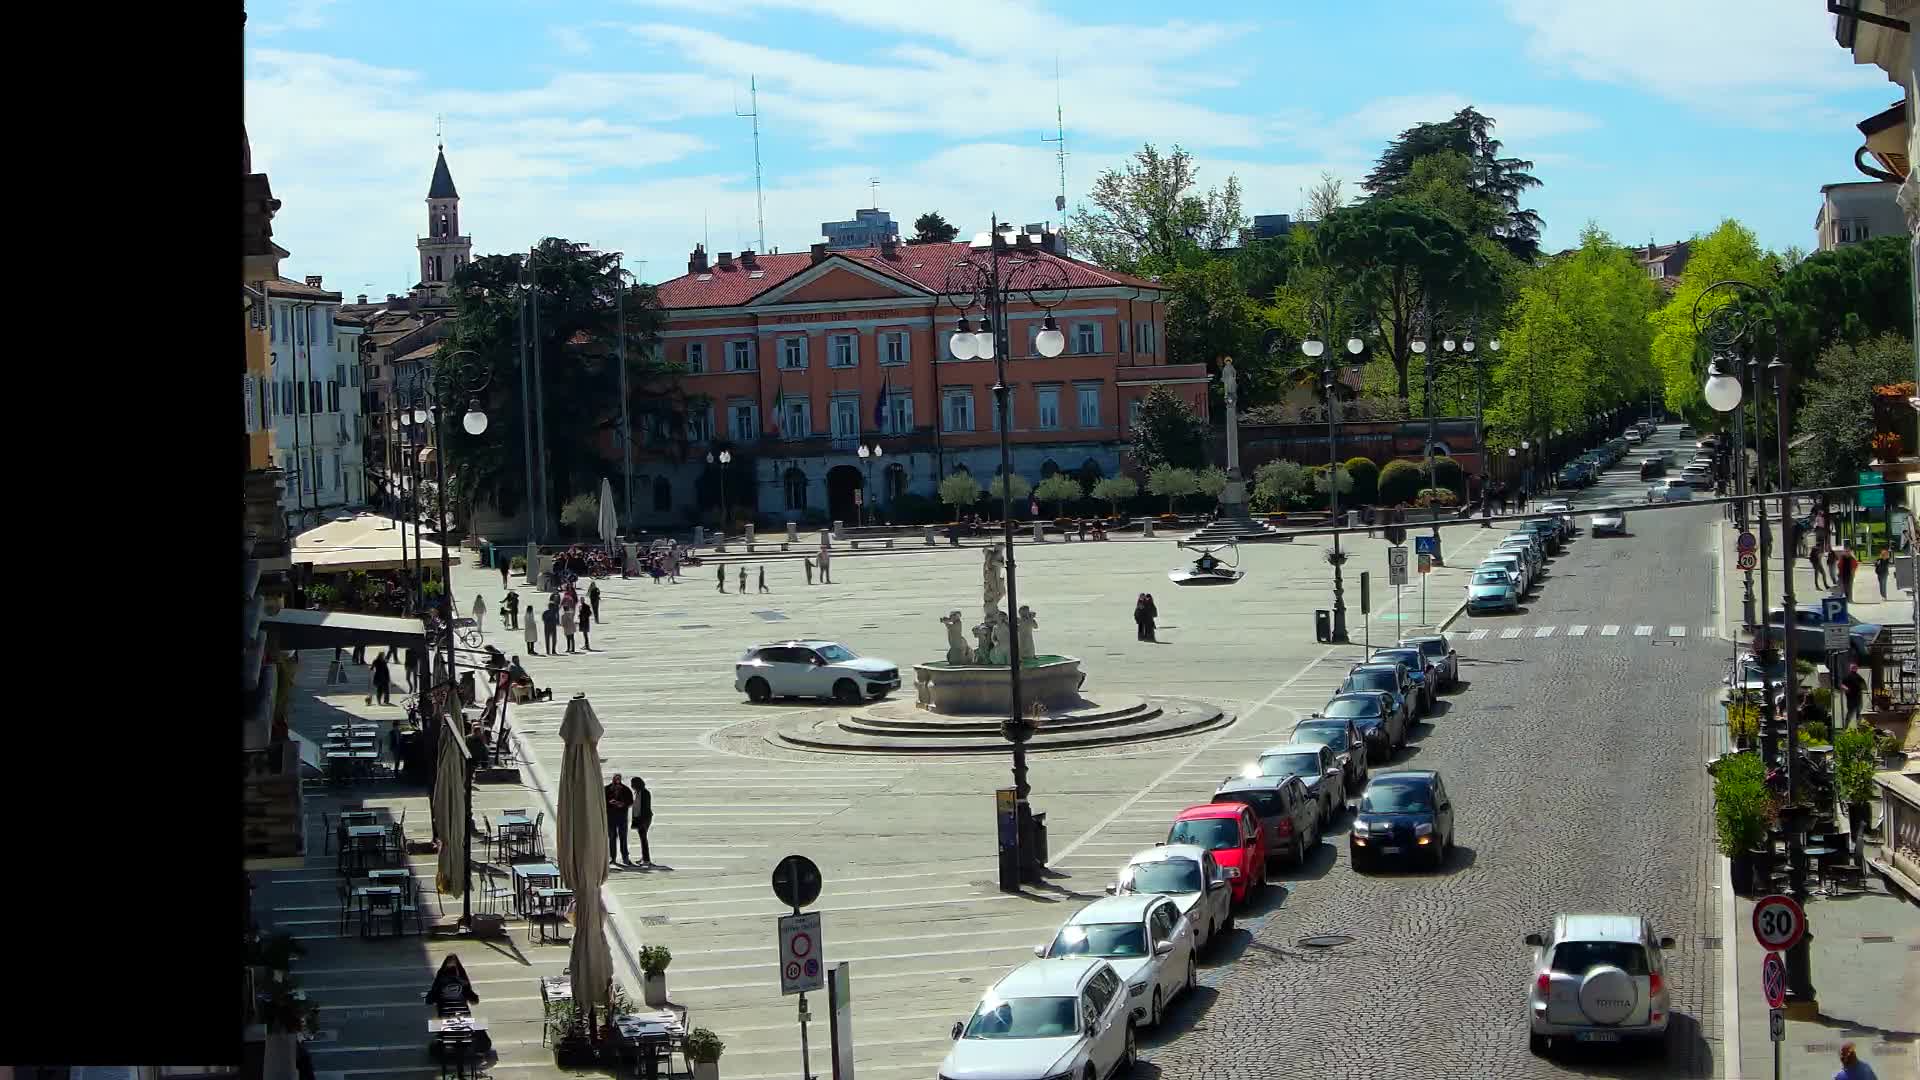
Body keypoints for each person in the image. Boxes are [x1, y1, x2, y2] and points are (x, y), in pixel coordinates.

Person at [605, 773, 634, 866]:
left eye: (618, 779)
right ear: (613, 779)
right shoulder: (606, 789)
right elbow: (602, 801)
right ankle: (612, 858)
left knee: (623, 838)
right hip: (610, 817)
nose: (617, 781)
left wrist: (622, 804)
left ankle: (625, 857)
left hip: (622, 817)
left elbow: (630, 802)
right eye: (615, 779)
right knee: (612, 838)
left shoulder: (625, 789)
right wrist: (609, 803)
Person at [632, 776, 653, 865]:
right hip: (639, 818)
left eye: (633, 784)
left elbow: (645, 808)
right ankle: (644, 857)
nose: (632, 786)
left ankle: (646, 860)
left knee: (643, 839)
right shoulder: (637, 792)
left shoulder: (645, 793)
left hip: (644, 819)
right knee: (642, 839)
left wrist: (641, 821)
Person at [1841, 663, 1867, 727]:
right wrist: (1846, 688)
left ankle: (1858, 727)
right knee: (1850, 712)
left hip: (1858, 697)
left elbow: (1864, 685)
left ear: (1857, 668)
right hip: (1851, 698)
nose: (1854, 668)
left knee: (1859, 712)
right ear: (1850, 668)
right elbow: (1842, 685)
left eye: (1855, 667)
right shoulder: (1847, 676)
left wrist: (1863, 688)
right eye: (1853, 667)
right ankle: (1846, 727)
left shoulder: (1858, 676)